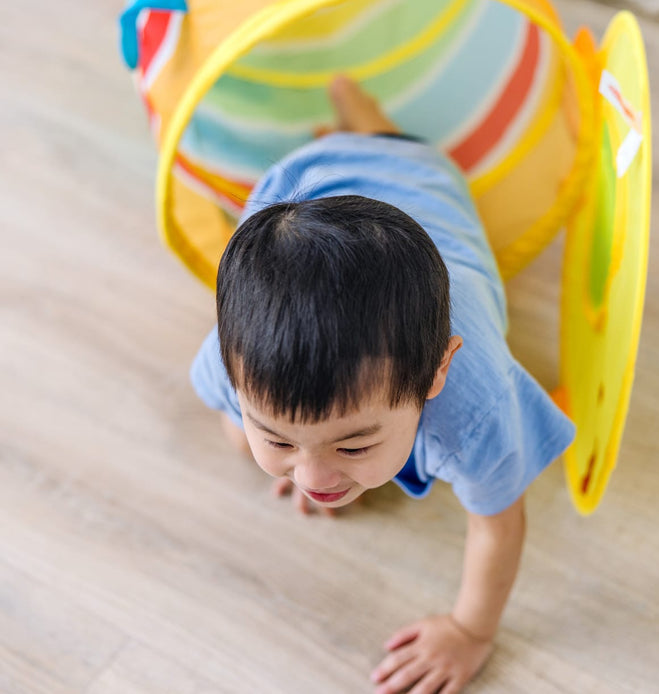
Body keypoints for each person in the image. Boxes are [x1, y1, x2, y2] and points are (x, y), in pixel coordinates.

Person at [190, 76, 575, 693]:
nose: (313, 480)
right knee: (240, 442)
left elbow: (498, 525)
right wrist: (274, 441)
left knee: (380, 136)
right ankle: (347, 121)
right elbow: (231, 410)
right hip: (301, 180)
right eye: (283, 439)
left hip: (418, 171)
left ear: (437, 372)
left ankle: (363, 112)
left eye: (353, 444)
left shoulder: (477, 404)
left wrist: (470, 632)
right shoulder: (235, 358)